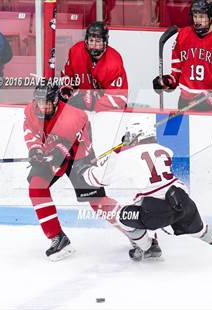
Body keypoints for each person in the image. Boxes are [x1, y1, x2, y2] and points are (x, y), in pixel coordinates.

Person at [79, 114, 212, 261]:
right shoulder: (164, 150)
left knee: (122, 217)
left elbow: (97, 179)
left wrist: (85, 170)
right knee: (201, 229)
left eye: (129, 135)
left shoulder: (126, 156)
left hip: (154, 211)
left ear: (136, 134)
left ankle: (149, 246)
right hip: (181, 200)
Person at [23, 80, 160, 261]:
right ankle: (58, 238)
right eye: (39, 102)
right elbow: (31, 132)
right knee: (36, 188)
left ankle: (137, 232)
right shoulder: (31, 110)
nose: (43, 107)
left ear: (56, 100)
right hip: (51, 151)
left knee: (97, 202)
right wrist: (35, 150)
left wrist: (57, 153)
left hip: (78, 156)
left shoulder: (73, 117)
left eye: (47, 102)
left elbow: (75, 148)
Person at [152, 0, 212, 111]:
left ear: (211, 16)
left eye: (202, 16)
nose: (197, 21)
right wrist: (167, 82)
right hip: (185, 103)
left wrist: (211, 97)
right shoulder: (183, 35)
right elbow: (177, 73)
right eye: (195, 16)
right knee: (184, 129)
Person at [60, 21, 128, 112]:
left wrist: (92, 103)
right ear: (86, 40)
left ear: (105, 42)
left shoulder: (114, 63)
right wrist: (66, 94)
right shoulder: (76, 51)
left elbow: (120, 99)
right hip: (79, 110)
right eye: (91, 40)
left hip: (106, 113)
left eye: (98, 41)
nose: (94, 45)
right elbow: (67, 78)